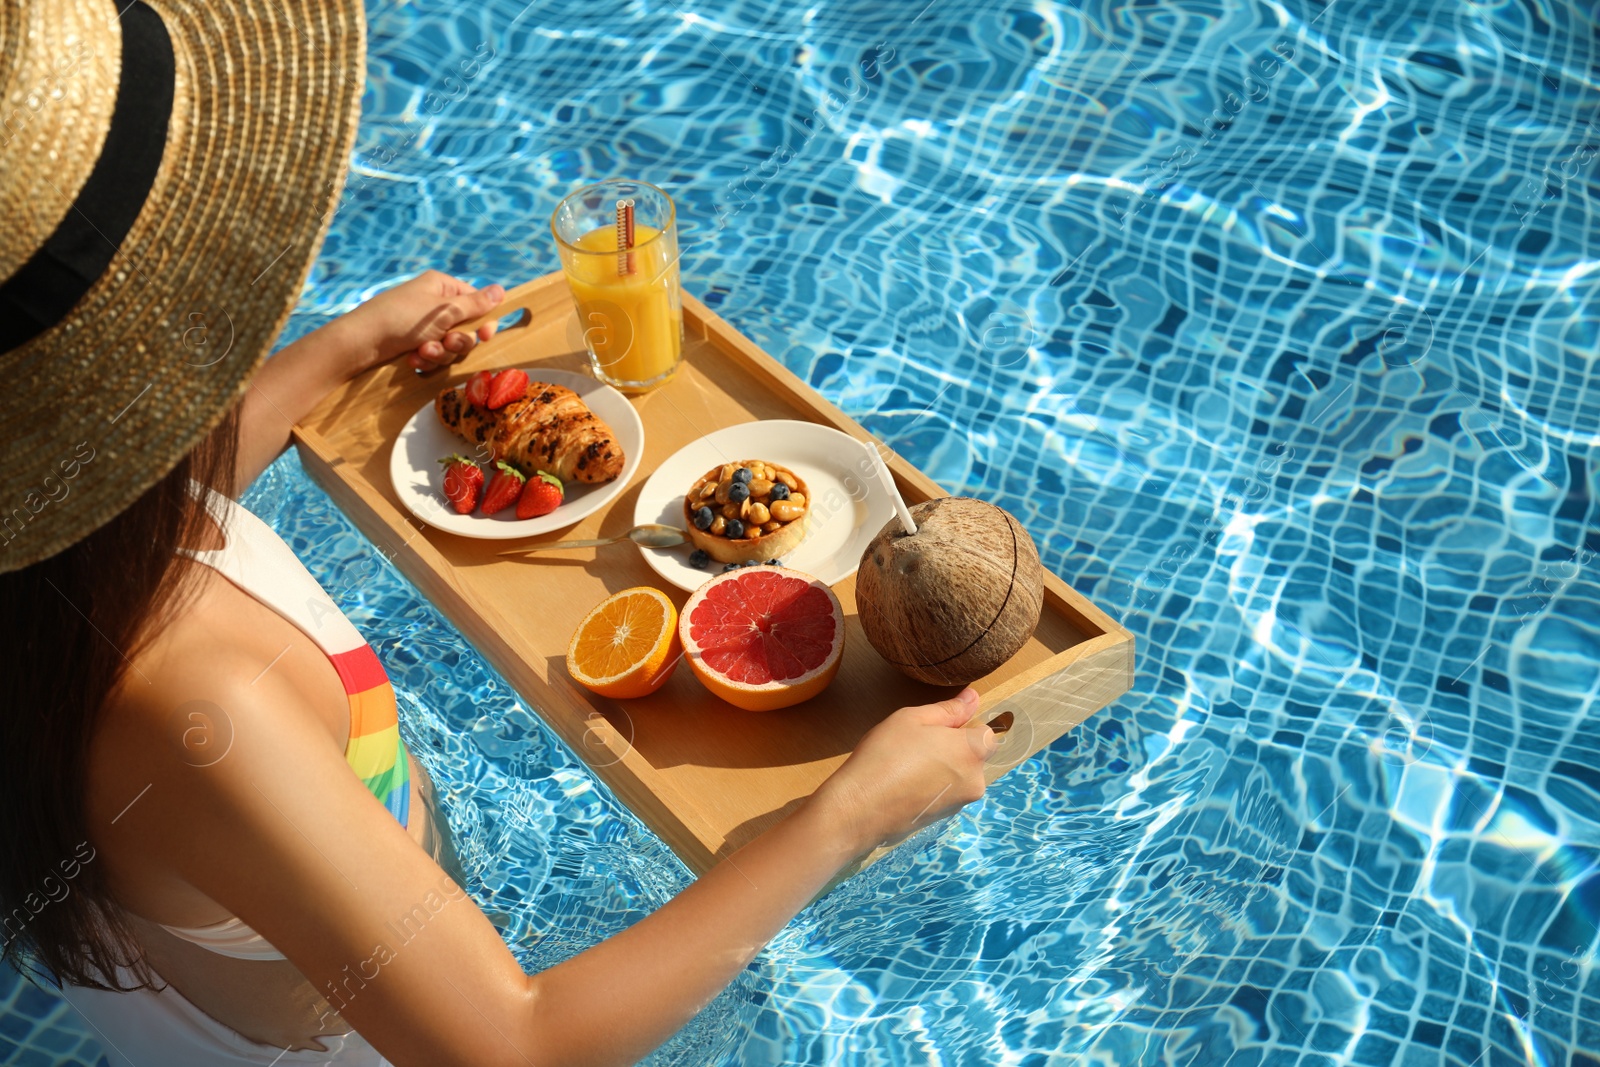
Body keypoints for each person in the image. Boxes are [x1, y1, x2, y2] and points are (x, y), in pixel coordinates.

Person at [0, 2, 999, 1065]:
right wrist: (840, 821)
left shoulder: (54, 565)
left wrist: (335, 353)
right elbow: (510, 1044)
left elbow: (159, 510)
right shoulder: (196, 707)